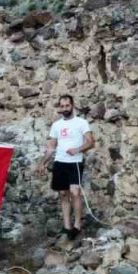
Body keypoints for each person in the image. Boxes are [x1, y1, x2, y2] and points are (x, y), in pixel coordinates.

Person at [39, 95, 95, 240]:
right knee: (63, 194)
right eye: (62, 106)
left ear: (72, 105)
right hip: (60, 162)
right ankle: (67, 226)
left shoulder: (81, 122)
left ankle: (77, 225)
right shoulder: (56, 125)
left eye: (67, 106)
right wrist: (43, 162)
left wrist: (77, 150)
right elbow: (51, 147)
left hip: (75, 163)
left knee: (75, 192)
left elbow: (91, 142)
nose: (65, 109)